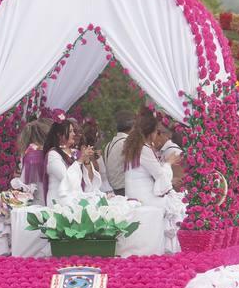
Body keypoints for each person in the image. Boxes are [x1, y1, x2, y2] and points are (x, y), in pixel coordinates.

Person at [123, 108, 185, 254]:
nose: (157, 135)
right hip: (144, 197)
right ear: (151, 133)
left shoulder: (133, 147)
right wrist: (169, 163)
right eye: (157, 131)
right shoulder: (143, 149)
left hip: (135, 192)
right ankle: (171, 250)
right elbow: (160, 175)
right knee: (177, 207)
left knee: (174, 202)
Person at [44, 118, 93, 206]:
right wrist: (81, 160)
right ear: (59, 135)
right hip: (59, 203)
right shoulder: (53, 155)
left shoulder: (75, 153)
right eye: (70, 131)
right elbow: (66, 178)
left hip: (75, 200)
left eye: (73, 131)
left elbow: (89, 180)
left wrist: (87, 161)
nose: (74, 134)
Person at [17, 118, 52, 204]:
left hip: (35, 200)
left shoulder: (29, 154)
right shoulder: (45, 154)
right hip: (47, 199)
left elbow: (25, 181)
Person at [102, 110, 134, 196]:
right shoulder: (127, 143)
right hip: (125, 189)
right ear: (132, 127)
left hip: (114, 189)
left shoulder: (109, 144)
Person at [78, 119, 113, 196]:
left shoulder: (97, 153)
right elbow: (96, 170)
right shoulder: (86, 154)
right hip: (98, 191)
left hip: (107, 189)